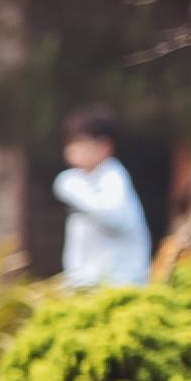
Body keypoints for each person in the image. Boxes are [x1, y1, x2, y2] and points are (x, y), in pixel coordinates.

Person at [55, 107, 153, 290]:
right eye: (70, 142)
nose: (73, 149)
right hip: (87, 284)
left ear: (105, 146)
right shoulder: (84, 179)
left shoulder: (113, 177)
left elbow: (113, 217)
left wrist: (71, 186)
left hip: (119, 284)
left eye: (81, 142)